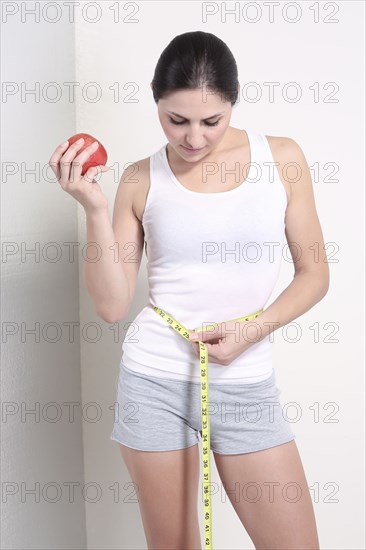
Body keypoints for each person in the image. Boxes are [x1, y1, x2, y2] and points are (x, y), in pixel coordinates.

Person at [49, 30, 328, 550]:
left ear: (233, 100)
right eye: (176, 120)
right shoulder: (138, 179)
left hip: (246, 384)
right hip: (154, 381)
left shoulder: (282, 159)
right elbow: (111, 305)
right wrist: (91, 207)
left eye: (211, 121)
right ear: (156, 98)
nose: (194, 139)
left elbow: (315, 275)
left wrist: (252, 330)